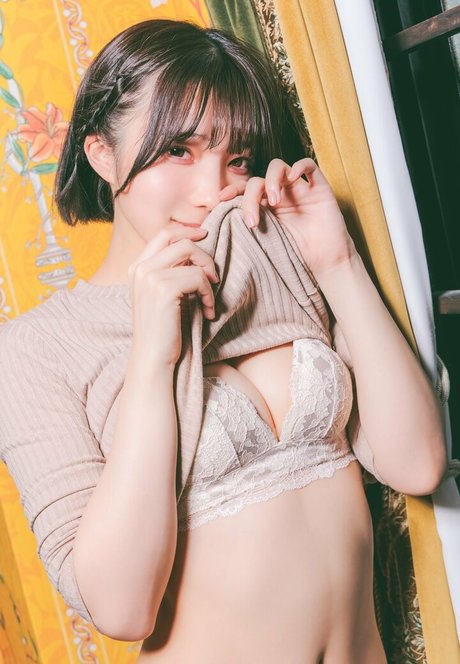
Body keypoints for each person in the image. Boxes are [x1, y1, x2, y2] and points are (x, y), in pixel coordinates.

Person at [0, 18, 448, 663]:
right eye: (179, 151)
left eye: (236, 157)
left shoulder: (280, 256)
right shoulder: (37, 348)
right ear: (101, 153)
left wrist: (337, 261)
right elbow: (121, 608)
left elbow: (418, 463)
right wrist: (153, 353)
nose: (214, 191)